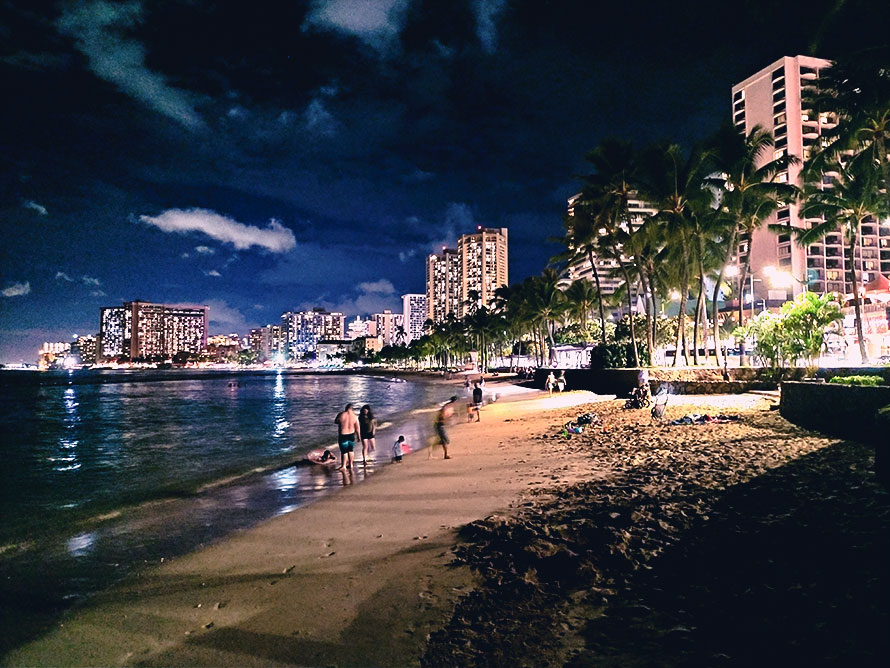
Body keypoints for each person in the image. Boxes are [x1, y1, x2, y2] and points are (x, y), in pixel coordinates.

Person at [334, 403, 361, 470]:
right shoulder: (355, 416)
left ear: (346, 408)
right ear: (352, 409)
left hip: (343, 435)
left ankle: (343, 466)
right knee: (350, 450)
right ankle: (351, 464)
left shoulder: (341, 414)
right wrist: (358, 436)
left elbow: (336, 421)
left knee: (344, 451)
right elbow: (357, 427)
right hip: (351, 435)